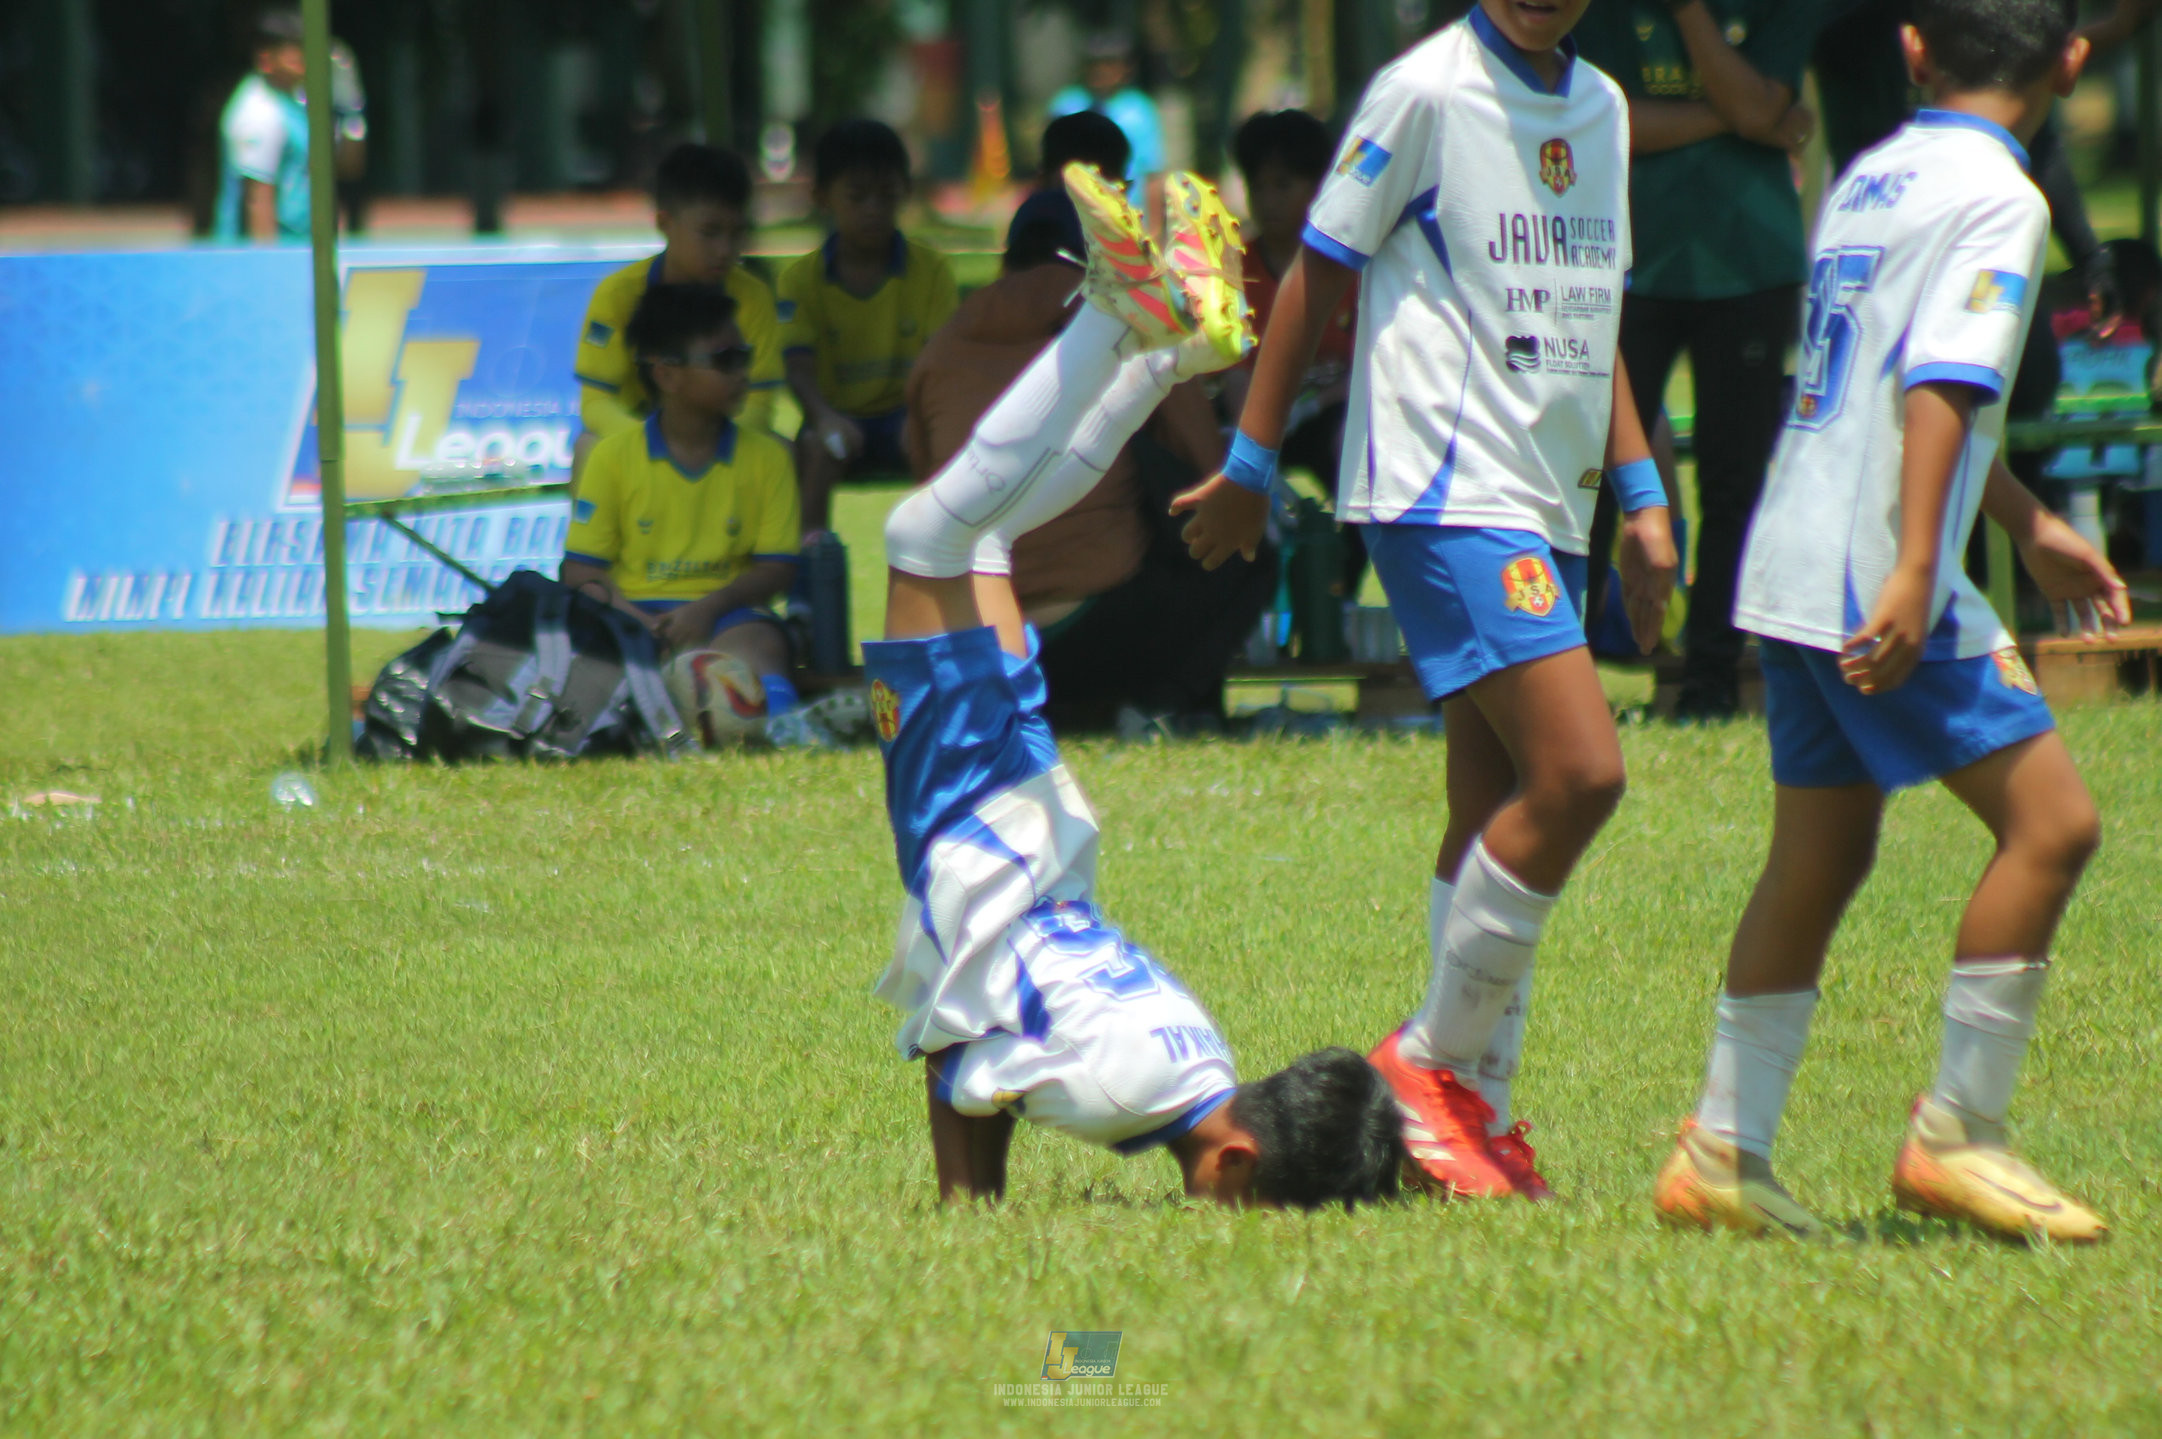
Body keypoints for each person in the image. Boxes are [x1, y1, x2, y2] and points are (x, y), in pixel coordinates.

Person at [1174, 0, 1679, 1202]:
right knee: (1580, 772)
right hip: (1442, 486)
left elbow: (1587, 305)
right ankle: (1430, 1066)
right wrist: (1249, 464)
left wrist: (1642, 496)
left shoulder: (1600, 108)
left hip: (1545, 496)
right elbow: (1317, 272)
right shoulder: (1423, 89)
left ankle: (1470, 1123)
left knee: (1491, 799)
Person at [1652, 0, 2125, 1244]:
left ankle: (1719, 1148)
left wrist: (2018, 520)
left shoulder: (1871, 174)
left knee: (1819, 854)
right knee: (2053, 825)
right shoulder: (2000, 197)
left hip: (1793, 556)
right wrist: (1920, 567)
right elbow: (1939, 383)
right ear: (2071, 62)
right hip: (1875, 567)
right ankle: (1957, 1132)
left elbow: (1885, 375)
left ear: (1912, 50)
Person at [870, 160, 1402, 1207]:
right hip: (975, 831)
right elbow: (959, 1062)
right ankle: (1117, 329)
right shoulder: (1114, 1097)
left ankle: (1169, 360)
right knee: (926, 530)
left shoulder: (1200, 1051)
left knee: (986, 532)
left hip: (1040, 837)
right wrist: (961, 1211)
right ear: (1239, 1160)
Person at [903, 127, 1270, 733]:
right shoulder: (1063, 306)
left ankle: (1159, 352)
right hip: (1099, 623)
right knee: (1237, 535)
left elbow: (923, 469)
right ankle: (1163, 705)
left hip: (989, 636)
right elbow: (1209, 468)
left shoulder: (943, 345)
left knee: (957, 531)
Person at [1571, 0, 1822, 720]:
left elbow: (1756, 104)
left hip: (1751, 265)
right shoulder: (1598, 12)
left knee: (1733, 481)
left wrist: (1689, 15)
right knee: (1589, 478)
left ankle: (1711, 678)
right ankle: (1565, 669)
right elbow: (1610, 124)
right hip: (1631, 265)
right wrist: (1742, 118)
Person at [562, 284, 805, 720]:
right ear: (667, 374)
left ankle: (785, 725)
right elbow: (580, 570)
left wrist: (707, 609)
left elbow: (778, 569)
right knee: (594, 656)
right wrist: (639, 622)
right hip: (632, 618)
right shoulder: (611, 457)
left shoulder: (769, 456)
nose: (742, 373)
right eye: (724, 360)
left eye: (743, 357)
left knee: (761, 644)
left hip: (725, 617)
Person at [780, 120, 959, 537]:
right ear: (822, 197)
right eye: (857, 197)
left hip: (907, 414)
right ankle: (811, 564)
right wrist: (823, 417)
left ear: (906, 194)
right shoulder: (800, 279)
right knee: (815, 449)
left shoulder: (932, 270)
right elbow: (798, 367)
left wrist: (917, 416)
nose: (874, 209)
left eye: (887, 195)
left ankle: (941, 559)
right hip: (835, 416)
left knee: (940, 443)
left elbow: (942, 362)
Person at [572, 144, 785, 486]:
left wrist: (706, 446)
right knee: (588, 448)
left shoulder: (754, 298)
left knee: (781, 451)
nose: (725, 250)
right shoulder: (618, 295)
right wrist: (657, 445)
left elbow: (758, 406)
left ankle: (796, 540)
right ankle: (590, 542)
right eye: (710, 232)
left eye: (736, 233)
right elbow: (597, 404)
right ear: (664, 223)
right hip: (636, 435)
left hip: (725, 440)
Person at [1223, 108, 1365, 593]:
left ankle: (1341, 584)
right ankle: (1254, 597)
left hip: (1329, 414)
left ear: (1319, 186)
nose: (1267, 201)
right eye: (1257, 186)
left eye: (1283, 185)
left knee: (1357, 446)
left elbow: (1369, 362)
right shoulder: (1234, 272)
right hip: (1256, 418)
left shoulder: (1350, 267)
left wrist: (1323, 402)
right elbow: (1236, 373)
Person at [213, 9, 309, 243]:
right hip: (265, 257)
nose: (304, 60)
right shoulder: (258, 111)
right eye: (293, 54)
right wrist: (268, 266)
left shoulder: (296, 100)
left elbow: (348, 167)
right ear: (266, 60)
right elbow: (257, 199)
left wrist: (351, 114)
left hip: (300, 249)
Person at [1046, 33, 1166, 191]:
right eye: (1094, 64)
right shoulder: (1066, 105)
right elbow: (1049, 166)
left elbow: (1151, 172)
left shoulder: (1139, 109)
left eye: (1109, 64)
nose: (1101, 71)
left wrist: (1154, 215)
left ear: (1125, 68)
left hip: (1128, 207)